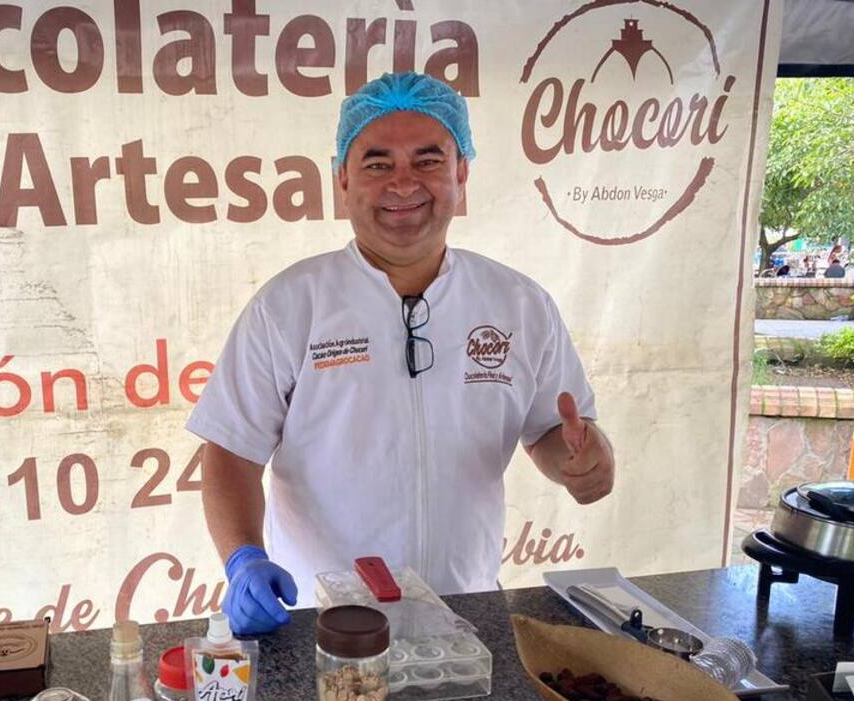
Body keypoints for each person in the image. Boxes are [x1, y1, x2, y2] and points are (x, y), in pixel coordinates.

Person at [187, 72, 615, 634]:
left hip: (464, 616)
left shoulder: (519, 305)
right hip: (326, 621)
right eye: (378, 162)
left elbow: (553, 434)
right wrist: (244, 559)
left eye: (429, 160)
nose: (403, 183)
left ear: (462, 173)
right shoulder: (290, 305)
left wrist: (586, 462)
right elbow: (231, 455)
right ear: (341, 179)